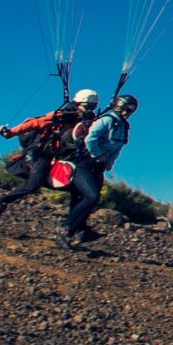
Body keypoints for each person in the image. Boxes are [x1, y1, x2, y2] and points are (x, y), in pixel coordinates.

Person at [0, 88, 97, 231]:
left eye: (92, 107)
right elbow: (36, 123)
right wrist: (12, 132)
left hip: (64, 156)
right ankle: (0, 204)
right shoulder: (63, 115)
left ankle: (76, 228)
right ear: (77, 103)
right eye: (87, 106)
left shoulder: (89, 121)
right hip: (44, 153)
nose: (89, 110)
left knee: (78, 190)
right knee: (33, 185)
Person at [57, 93, 136, 249]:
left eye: (131, 111)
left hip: (99, 167)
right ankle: (65, 227)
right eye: (125, 109)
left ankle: (69, 234)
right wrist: (97, 155)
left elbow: (118, 147)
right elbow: (90, 138)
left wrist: (109, 163)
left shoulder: (123, 127)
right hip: (84, 163)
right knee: (91, 196)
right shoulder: (107, 120)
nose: (127, 113)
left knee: (92, 201)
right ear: (118, 106)